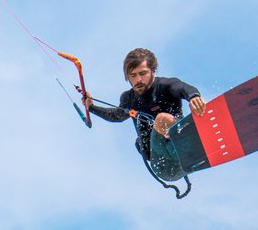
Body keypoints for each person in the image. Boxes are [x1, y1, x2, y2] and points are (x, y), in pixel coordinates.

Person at [84, 48, 206, 181]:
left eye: (143, 73)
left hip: (181, 151)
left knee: (173, 118)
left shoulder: (166, 86)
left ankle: (197, 146)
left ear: (153, 71)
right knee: (162, 119)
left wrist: (193, 96)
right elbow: (116, 116)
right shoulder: (128, 98)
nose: (138, 80)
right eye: (133, 75)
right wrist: (91, 107)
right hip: (163, 165)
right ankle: (195, 146)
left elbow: (182, 87)